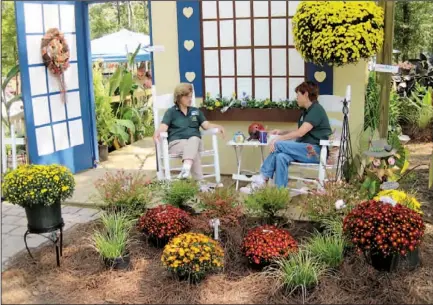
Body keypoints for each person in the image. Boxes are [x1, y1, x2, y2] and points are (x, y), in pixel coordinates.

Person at [240, 81, 332, 193]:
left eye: (298, 95)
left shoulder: (316, 110)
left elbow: (300, 133)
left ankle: (262, 178)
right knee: (281, 157)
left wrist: (277, 139)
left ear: (306, 94)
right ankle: (280, 193)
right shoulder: (306, 112)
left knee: (278, 144)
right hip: (303, 149)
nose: (296, 98)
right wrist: (281, 132)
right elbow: (300, 131)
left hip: (314, 152)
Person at [153, 83, 225, 180]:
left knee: (194, 139)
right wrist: (157, 132)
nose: (190, 99)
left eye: (190, 97)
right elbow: (163, 127)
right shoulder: (171, 112)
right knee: (193, 151)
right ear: (179, 98)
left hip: (196, 142)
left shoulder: (196, 111)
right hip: (177, 144)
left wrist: (219, 127)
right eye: (187, 97)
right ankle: (199, 183)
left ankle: (185, 169)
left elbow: (206, 125)